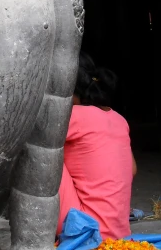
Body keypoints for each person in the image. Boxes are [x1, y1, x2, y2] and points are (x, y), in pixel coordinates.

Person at [57, 52, 137, 239]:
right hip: (118, 232)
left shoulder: (74, 117)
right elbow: (132, 169)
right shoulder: (119, 119)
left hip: (84, 229)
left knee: (37, 151)